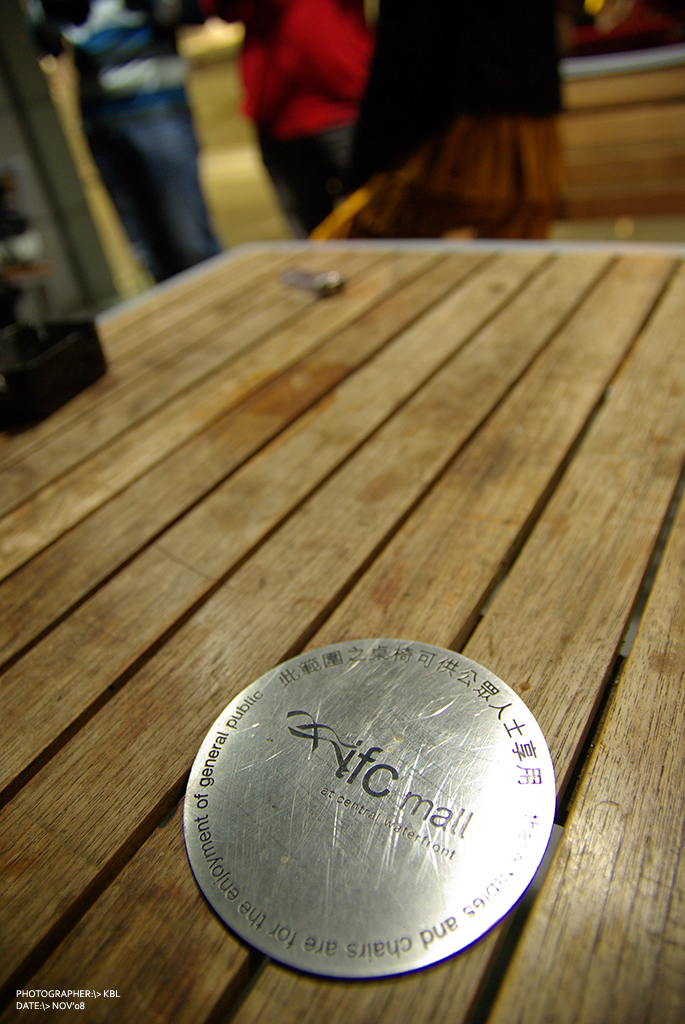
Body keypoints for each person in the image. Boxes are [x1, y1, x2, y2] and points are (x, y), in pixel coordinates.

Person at [313, 0, 564, 240]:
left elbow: (406, 44)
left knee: (376, 245)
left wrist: (364, 169)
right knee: (510, 249)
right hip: (532, 125)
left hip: (458, 135)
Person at [27, 0, 222, 283]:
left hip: (157, 105)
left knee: (191, 241)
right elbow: (46, 43)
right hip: (99, 117)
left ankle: (222, 302)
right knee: (147, 251)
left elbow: (194, 12)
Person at [199, 0, 374, 237]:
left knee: (379, 230)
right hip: (279, 120)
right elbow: (222, 11)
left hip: (347, 107)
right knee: (313, 244)